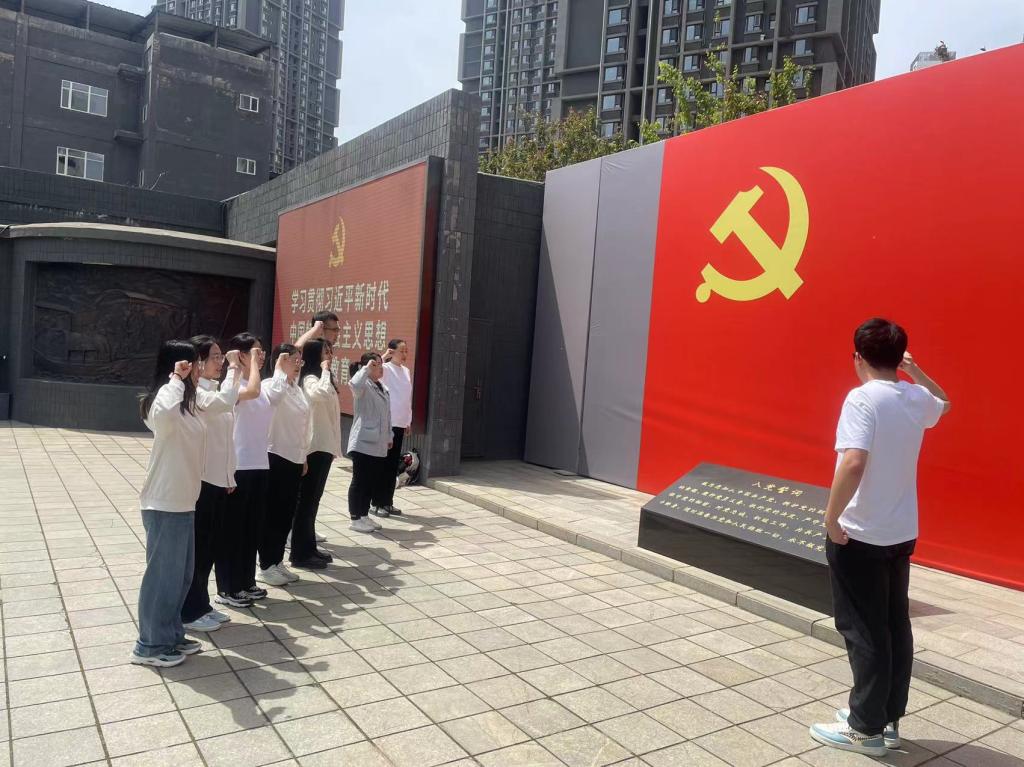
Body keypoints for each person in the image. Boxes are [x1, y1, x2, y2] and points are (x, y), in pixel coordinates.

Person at [811, 318, 950, 757]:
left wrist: (831, 518)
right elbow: (944, 403)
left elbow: (853, 462)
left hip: (861, 532)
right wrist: (916, 370)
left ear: (858, 357)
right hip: (901, 531)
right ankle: (885, 719)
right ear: (898, 357)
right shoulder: (914, 396)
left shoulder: (862, 398)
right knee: (893, 626)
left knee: (864, 630)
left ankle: (864, 730)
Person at [131, 340, 206, 667]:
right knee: (162, 577)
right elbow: (161, 417)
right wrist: (175, 380)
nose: (198, 370)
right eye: (194, 364)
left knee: (180, 577)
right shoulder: (161, 400)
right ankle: (149, 645)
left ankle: (171, 634)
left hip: (184, 500)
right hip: (164, 502)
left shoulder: (186, 404)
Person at [180, 336, 248, 633]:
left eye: (222, 357)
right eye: (215, 357)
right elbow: (226, 402)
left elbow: (226, 441)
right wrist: (234, 368)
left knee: (209, 547)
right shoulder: (197, 393)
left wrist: (229, 475)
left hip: (218, 480)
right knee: (199, 549)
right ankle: (189, 610)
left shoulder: (215, 390)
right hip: (202, 480)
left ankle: (202, 604)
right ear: (198, 362)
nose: (221, 362)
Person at [219, 333, 273, 609]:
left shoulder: (257, 384)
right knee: (234, 530)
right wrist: (247, 365)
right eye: (255, 352)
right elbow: (251, 392)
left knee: (252, 528)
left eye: (262, 352)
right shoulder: (233, 386)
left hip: (259, 464)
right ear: (240, 355)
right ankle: (228, 587)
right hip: (239, 466)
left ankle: (246, 580)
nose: (261, 356)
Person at [257, 344, 312, 586]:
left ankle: (277, 561)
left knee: (286, 513)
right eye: (293, 360)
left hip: (294, 457)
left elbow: (303, 425)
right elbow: (273, 399)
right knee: (273, 513)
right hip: (276, 456)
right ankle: (265, 565)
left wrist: (304, 456)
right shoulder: (271, 385)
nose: (298, 364)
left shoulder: (295, 389)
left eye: (300, 360)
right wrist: (279, 370)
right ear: (280, 361)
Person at [290, 338, 340, 569]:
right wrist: (325, 371)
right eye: (325, 352)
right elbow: (320, 394)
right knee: (307, 501)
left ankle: (309, 547)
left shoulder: (323, 377)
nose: (329, 355)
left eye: (330, 351)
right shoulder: (310, 378)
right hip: (315, 446)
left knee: (314, 500)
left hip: (325, 445)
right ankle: (300, 553)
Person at [347, 353, 392, 533]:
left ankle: (364, 514)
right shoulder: (363, 385)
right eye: (376, 364)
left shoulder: (382, 387)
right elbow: (354, 384)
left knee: (371, 481)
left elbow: (387, 415)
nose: (380, 367)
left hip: (378, 442)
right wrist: (365, 369)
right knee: (360, 481)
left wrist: (389, 436)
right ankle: (354, 518)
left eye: (381, 364)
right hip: (363, 441)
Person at [372, 339, 412, 517]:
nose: (404, 354)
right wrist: (384, 356)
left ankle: (387, 502)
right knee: (383, 464)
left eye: (406, 351)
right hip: (388, 422)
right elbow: (371, 372)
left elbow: (407, 397)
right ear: (392, 351)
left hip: (400, 423)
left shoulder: (406, 371)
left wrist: (408, 420)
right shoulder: (385, 369)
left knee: (392, 465)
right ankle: (376, 503)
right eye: (401, 351)